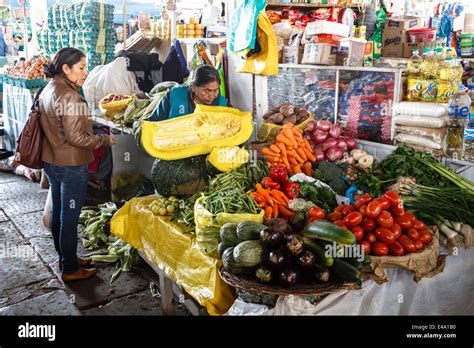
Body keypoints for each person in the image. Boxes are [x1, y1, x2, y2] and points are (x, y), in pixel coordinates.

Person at [39, 47, 116, 282]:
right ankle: (71, 270)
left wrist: (89, 122)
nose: (86, 72)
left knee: (60, 215)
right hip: (70, 166)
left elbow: (63, 124)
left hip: (52, 161)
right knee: (69, 218)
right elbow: (77, 139)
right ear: (66, 68)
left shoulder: (50, 87)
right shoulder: (69, 95)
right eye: (82, 67)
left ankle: (67, 259)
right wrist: (104, 139)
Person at [149, 65, 230, 121]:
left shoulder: (222, 104)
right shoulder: (173, 97)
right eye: (207, 91)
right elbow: (153, 123)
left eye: (216, 90)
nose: (212, 96)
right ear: (193, 87)